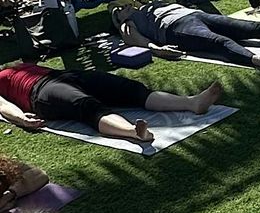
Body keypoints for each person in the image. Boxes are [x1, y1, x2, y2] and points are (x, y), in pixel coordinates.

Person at [0, 60, 222, 146]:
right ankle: (134, 132)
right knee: (87, 106)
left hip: (62, 75)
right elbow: (2, 105)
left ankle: (192, 102)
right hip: (40, 93)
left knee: (129, 89)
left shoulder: (15, 65)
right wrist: (20, 117)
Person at [114, 0, 260, 74]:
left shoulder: (148, 6)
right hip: (174, 29)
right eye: (119, 10)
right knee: (219, 42)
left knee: (251, 28)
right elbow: (135, 40)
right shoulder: (128, 23)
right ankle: (256, 60)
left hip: (195, 14)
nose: (124, 7)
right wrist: (157, 49)